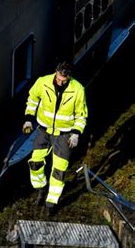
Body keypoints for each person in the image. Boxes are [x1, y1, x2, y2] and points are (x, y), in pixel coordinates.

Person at [22, 62, 88, 214]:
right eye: (59, 78)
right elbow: (32, 99)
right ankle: (41, 188)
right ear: (55, 72)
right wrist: (28, 118)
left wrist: (76, 133)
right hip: (44, 131)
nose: (60, 81)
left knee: (59, 170)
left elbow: (81, 115)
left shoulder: (77, 90)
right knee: (35, 163)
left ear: (69, 77)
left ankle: (51, 202)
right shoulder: (43, 82)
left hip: (64, 135)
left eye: (64, 80)